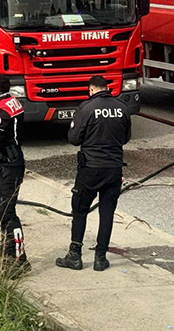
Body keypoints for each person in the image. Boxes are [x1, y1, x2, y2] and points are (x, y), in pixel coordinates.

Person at [56, 75, 131, 272]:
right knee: (107, 213)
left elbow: (74, 138)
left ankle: (75, 255)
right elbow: (126, 137)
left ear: (91, 90)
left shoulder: (86, 108)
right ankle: (100, 257)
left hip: (90, 169)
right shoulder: (122, 107)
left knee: (80, 210)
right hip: (113, 169)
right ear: (107, 88)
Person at [0, 75, 30, 276]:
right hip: (16, 160)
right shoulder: (14, 103)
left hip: (6, 164)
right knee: (6, 210)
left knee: (6, 213)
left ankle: (19, 259)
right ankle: (6, 251)